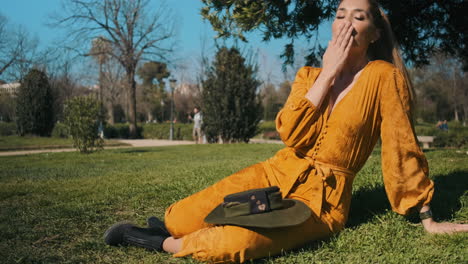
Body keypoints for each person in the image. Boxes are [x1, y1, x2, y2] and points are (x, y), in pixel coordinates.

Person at [104, 0, 468, 262]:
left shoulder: (383, 77)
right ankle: (168, 228)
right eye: (340, 14)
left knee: (231, 244)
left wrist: (427, 217)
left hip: (321, 200)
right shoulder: (309, 76)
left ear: (374, 33)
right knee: (179, 216)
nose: (346, 23)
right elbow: (292, 136)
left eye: (359, 17)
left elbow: (401, 146)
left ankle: (154, 241)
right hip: (276, 172)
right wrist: (327, 73)